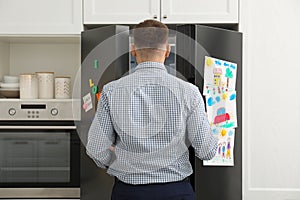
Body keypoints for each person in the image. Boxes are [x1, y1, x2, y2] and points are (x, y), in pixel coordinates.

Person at [86, 19, 218, 200]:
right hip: (176, 192)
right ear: (167, 50)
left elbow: (96, 150)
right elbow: (207, 151)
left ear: (133, 50)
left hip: (128, 193)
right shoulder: (189, 92)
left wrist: (122, 161)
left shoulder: (111, 91)